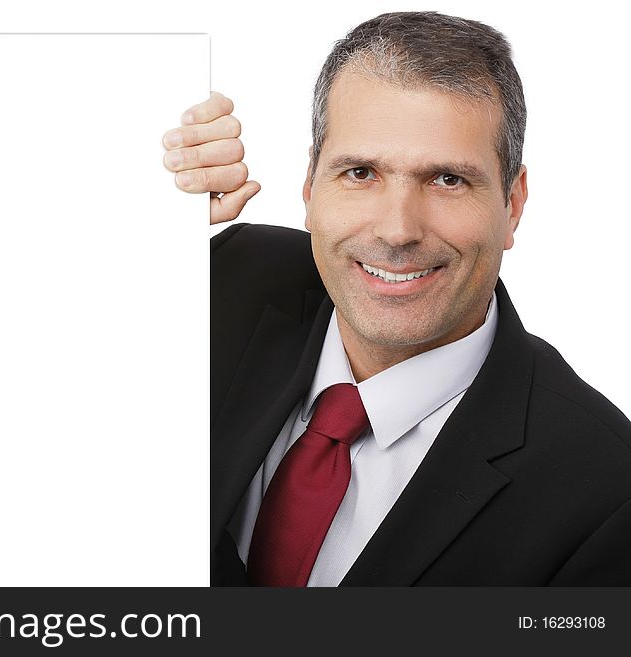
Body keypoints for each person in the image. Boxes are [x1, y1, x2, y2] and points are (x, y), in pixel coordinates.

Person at [163, 11, 631, 586]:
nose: (397, 230)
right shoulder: (214, 279)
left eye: (447, 180)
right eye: (360, 172)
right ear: (309, 186)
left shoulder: (608, 493)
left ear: (512, 204)